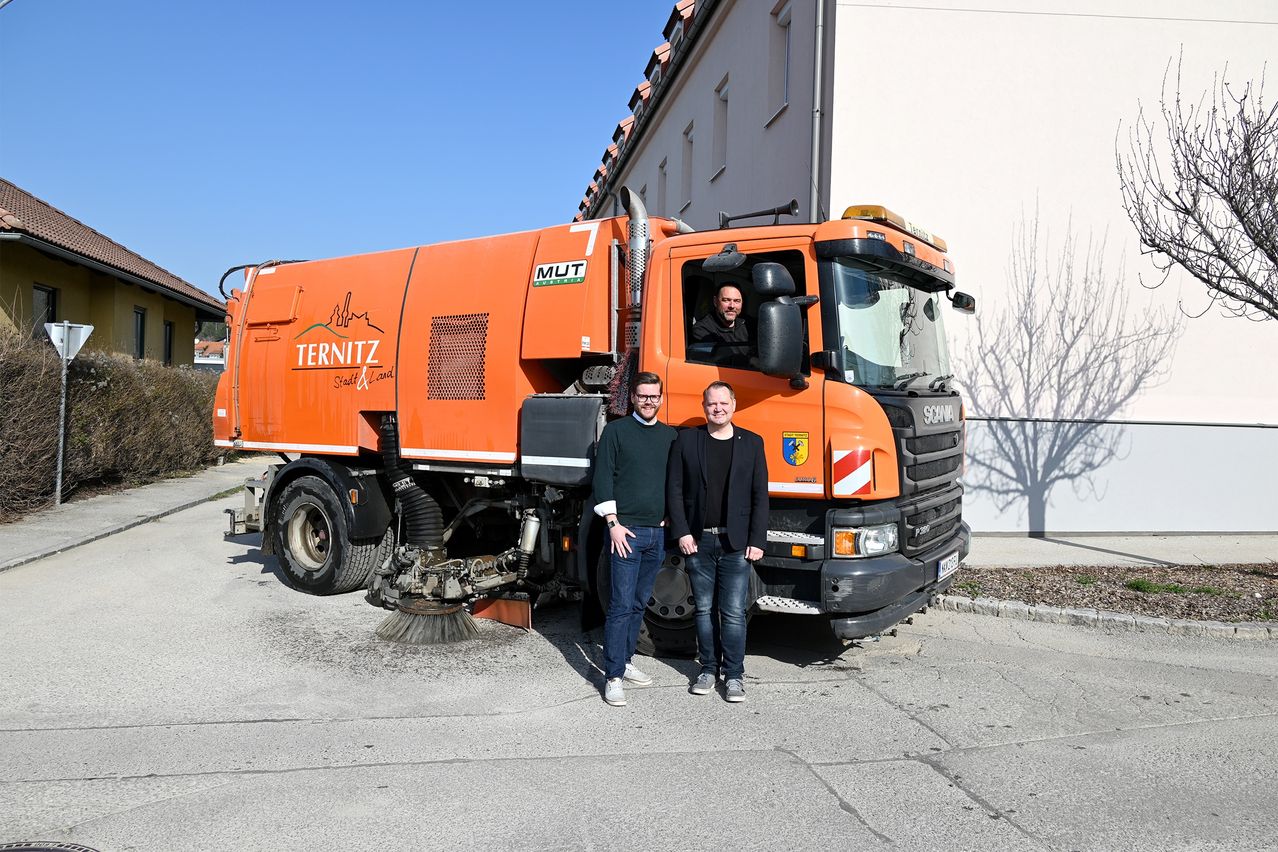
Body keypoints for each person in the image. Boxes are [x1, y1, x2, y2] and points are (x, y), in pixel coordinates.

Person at [666, 381, 768, 702]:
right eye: (712, 404)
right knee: (703, 610)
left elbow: (759, 496)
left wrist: (757, 538)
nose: (718, 408)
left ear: (734, 405)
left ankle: (734, 676)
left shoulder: (752, 443)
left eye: (724, 403)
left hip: (736, 543)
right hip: (699, 541)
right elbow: (675, 490)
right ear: (704, 406)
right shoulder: (687, 440)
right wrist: (682, 532)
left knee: (734, 612)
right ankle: (708, 669)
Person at [592, 371, 677, 707]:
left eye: (654, 396)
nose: (648, 401)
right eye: (642, 395)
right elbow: (603, 479)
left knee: (640, 604)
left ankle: (625, 662)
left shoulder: (670, 436)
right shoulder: (616, 432)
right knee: (620, 605)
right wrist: (612, 523)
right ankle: (612, 676)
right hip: (625, 532)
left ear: (661, 398)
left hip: (657, 534)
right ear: (633, 398)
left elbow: (674, 482)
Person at [691, 283, 752, 367]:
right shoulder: (702, 329)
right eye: (726, 300)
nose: (732, 306)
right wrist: (751, 360)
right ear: (715, 301)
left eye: (737, 301)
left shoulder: (748, 323)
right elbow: (720, 359)